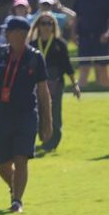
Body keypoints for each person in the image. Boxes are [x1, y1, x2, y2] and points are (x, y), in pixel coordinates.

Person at [0, 18, 52, 213]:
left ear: (21, 34)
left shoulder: (35, 58)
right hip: (2, 116)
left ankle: (17, 201)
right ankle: (15, 188)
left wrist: (47, 122)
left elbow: (43, 91)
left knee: (21, 158)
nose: (5, 34)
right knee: (3, 164)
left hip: (26, 116)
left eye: (9, 31)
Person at [30, 14, 78, 154]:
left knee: (54, 113)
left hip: (55, 83)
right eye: (43, 23)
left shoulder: (60, 44)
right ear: (38, 26)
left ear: (53, 26)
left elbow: (67, 65)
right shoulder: (32, 45)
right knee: (38, 112)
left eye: (49, 23)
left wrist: (74, 83)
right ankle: (44, 138)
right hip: (37, 84)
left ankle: (52, 142)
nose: (46, 26)